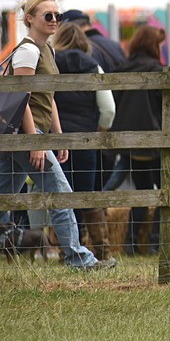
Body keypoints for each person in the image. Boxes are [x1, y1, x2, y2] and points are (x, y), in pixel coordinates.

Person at [0, 0, 114, 270]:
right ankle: (79, 259)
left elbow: (49, 98)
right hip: (24, 133)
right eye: (47, 16)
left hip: (30, 133)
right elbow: (22, 98)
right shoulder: (28, 51)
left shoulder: (46, 50)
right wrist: (35, 141)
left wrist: (57, 137)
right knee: (61, 194)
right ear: (29, 19)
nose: (54, 20)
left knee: (4, 195)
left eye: (57, 15)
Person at [51, 23, 116, 259]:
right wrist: (98, 132)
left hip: (56, 140)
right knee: (87, 194)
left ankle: (66, 250)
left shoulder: (50, 64)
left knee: (60, 194)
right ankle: (101, 249)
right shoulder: (93, 66)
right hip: (86, 140)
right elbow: (108, 109)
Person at [111, 25, 166, 255]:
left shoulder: (122, 69)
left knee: (141, 192)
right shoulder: (157, 70)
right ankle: (155, 242)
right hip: (155, 142)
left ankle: (131, 243)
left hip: (129, 143)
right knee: (166, 193)